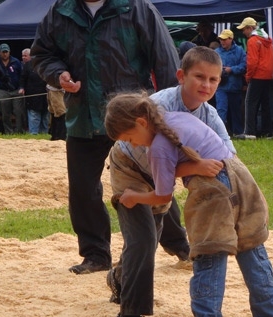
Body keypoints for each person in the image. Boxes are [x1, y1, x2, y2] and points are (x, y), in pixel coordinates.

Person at [104, 92, 273, 317]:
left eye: (130, 138)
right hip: (241, 177)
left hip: (212, 191)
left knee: (208, 258)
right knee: (252, 252)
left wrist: (134, 197)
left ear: (141, 122)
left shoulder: (158, 148)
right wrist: (192, 167)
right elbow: (195, 157)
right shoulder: (177, 119)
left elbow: (163, 195)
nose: (133, 145)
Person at [30, 0, 181, 275]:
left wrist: (170, 114)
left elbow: (165, 59)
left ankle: (179, 244)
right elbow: (42, 54)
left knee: (152, 179)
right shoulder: (60, 11)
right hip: (83, 115)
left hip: (132, 116)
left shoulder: (137, 8)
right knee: (83, 188)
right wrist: (58, 73)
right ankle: (96, 255)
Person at [106, 46, 236, 317]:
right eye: (199, 77)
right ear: (181, 76)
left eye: (213, 79)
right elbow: (158, 163)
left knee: (148, 239)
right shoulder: (157, 107)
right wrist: (196, 166)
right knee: (142, 238)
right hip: (129, 167)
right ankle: (129, 316)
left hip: (160, 178)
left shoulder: (209, 115)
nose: (206, 85)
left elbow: (229, 157)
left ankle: (120, 277)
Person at [237, 17, 273, 140]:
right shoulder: (268, 39)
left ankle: (250, 132)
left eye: (244, 29)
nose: (243, 32)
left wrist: (248, 76)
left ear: (249, 28)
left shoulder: (252, 40)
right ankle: (268, 132)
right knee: (266, 104)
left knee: (250, 103)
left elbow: (252, 62)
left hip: (257, 75)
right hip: (268, 75)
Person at [214, 29, 246, 137]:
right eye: (221, 39)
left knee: (236, 111)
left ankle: (237, 132)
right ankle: (220, 133)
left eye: (224, 39)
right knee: (221, 110)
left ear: (231, 39)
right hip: (221, 87)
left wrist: (231, 69)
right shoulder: (217, 52)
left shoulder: (240, 51)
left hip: (235, 87)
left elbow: (244, 66)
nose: (222, 41)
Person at [0, 43, 24, 134]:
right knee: (5, 112)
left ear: (9, 52)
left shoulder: (16, 62)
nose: (5, 54)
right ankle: (8, 132)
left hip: (16, 90)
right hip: (2, 90)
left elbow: (22, 75)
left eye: (6, 52)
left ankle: (19, 131)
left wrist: (22, 87)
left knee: (18, 111)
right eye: (3, 52)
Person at [20, 48, 49, 135]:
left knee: (45, 117)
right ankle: (34, 134)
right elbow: (22, 78)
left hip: (45, 95)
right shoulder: (28, 65)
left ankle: (44, 134)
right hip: (32, 96)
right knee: (34, 116)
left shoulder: (46, 64)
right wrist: (22, 88)